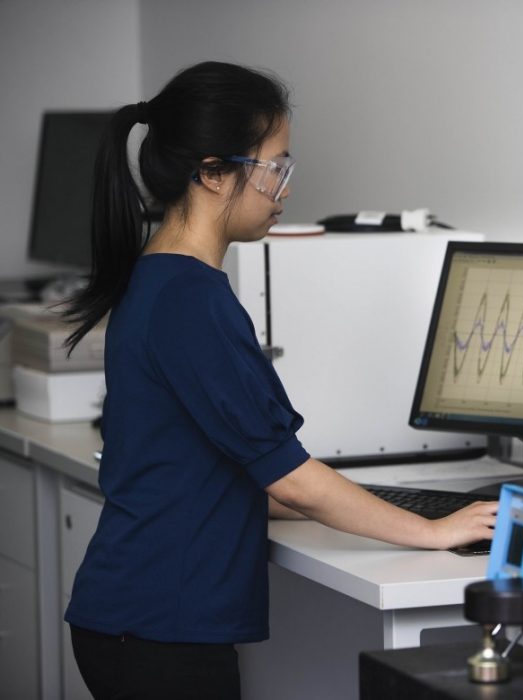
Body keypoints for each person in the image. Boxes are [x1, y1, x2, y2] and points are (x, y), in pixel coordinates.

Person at [62, 61, 498, 700]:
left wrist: (347, 506)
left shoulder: (161, 278)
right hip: (160, 630)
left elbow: (207, 464)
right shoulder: (192, 299)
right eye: (275, 168)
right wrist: (434, 529)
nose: (285, 189)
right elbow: (291, 476)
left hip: (137, 617)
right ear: (213, 173)